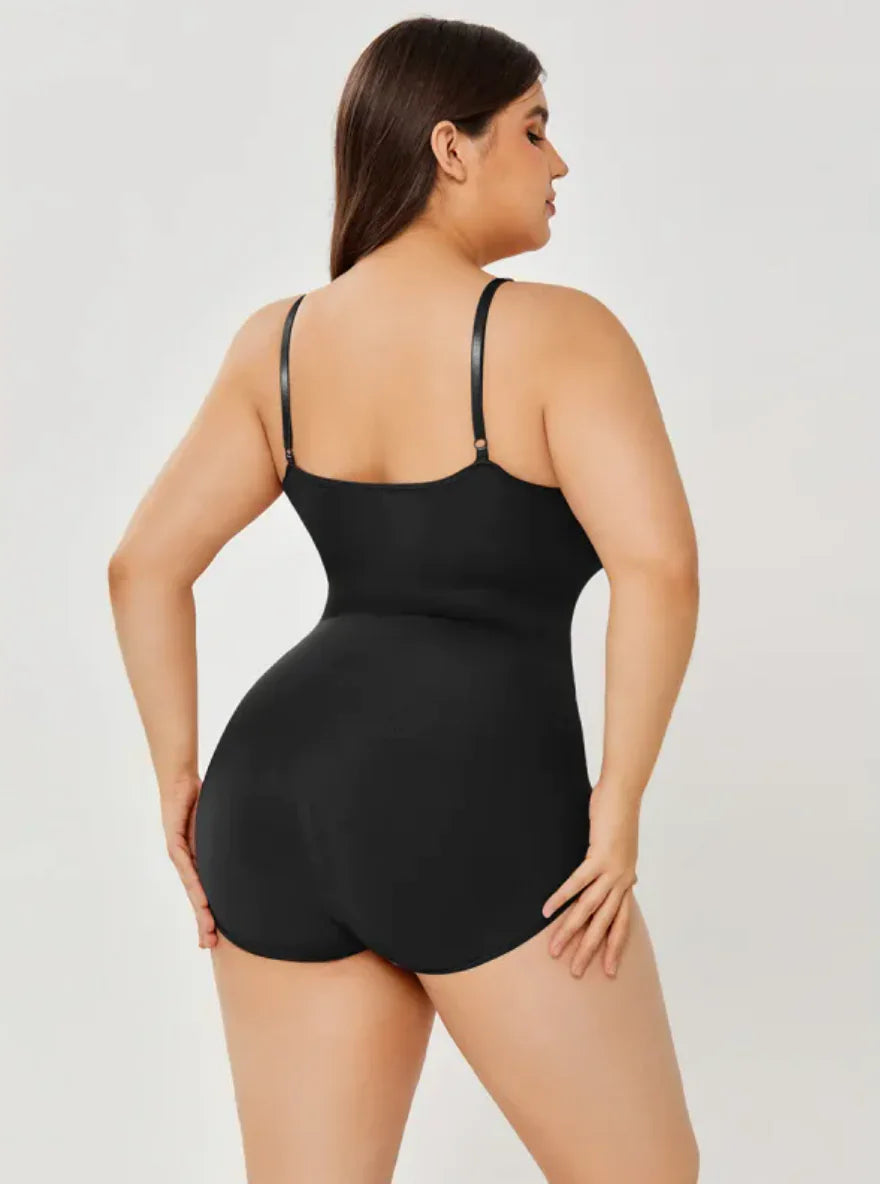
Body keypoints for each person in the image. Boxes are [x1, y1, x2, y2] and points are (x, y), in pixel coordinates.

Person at [108, 16, 700, 1184]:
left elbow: (143, 565)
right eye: (533, 129)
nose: (559, 160)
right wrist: (618, 803)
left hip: (268, 800)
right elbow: (659, 569)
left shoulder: (278, 342)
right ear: (449, 146)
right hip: (470, 791)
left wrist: (178, 774)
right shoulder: (558, 334)